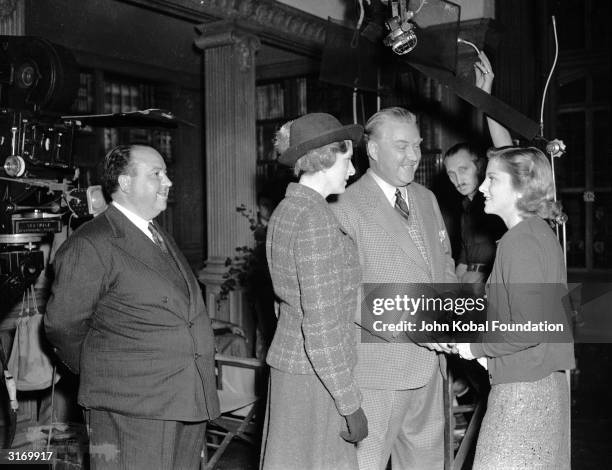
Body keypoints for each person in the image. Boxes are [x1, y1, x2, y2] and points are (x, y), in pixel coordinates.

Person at [45, 144, 220, 470]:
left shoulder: (155, 233)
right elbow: (62, 325)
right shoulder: (91, 243)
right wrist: (105, 369)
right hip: (131, 407)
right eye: (157, 174)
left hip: (183, 398)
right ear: (125, 183)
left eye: (165, 173)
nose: (168, 182)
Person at [330, 107, 457, 470]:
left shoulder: (426, 199)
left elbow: (443, 265)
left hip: (431, 369)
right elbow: (343, 292)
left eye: (417, 145)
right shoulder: (344, 205)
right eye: (402, 146)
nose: (414, 156)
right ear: (371, 150)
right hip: (377, 372)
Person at [455, 146, 575, 469]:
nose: (482, 187)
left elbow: (529, 328)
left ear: (520, 187)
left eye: (492, 179)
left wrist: (474, 347)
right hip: (543, 385)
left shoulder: (519, 241)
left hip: (523, 395)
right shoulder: (540, 234)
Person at [259, 113, 368, 470]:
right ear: (323, 159)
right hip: (314, 379)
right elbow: (321, 328)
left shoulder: (287, 211)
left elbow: (284, 304)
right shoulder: (315, 220)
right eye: (347, 160)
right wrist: (349, 402)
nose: (351, 171)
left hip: (295, 368)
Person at [443, 52, 511, 284]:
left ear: (479, 166)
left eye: (462, 170)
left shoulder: (494, 201)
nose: (456, 179)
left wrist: (485, 99)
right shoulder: (465, 207)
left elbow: (506, 152)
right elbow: (464, 255)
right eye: (451, 174)